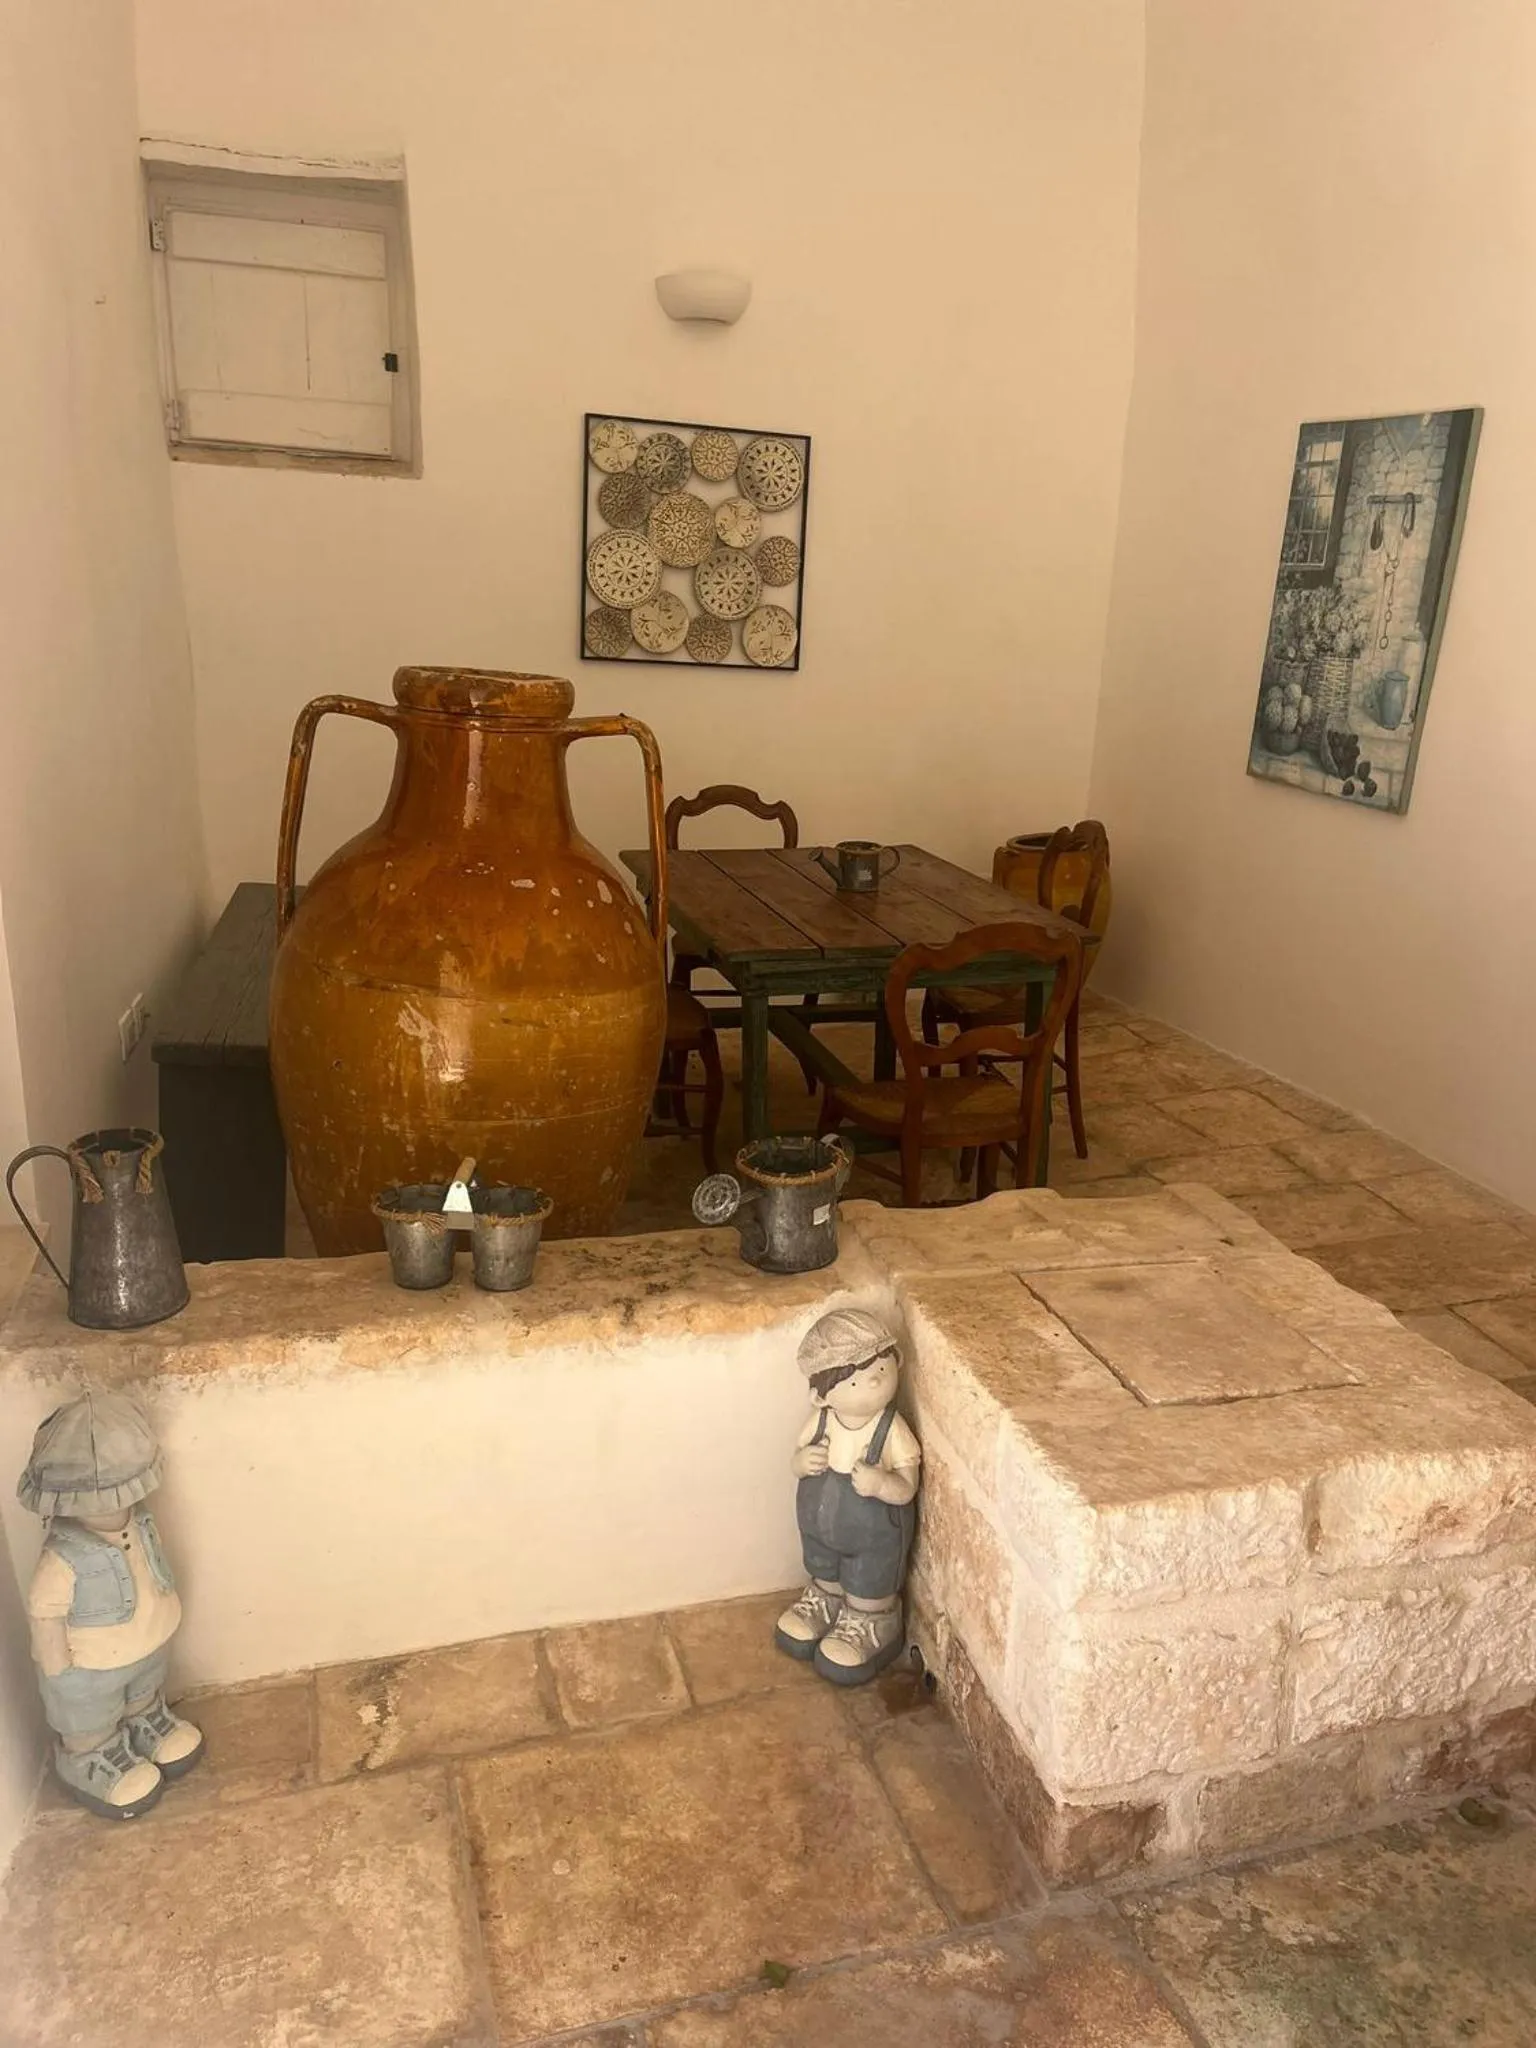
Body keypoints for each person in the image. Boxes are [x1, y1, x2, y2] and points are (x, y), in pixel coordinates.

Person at [18, 1389, 203, 1819]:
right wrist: (56, 1664)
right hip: (90, 1663)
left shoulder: (141, 1521)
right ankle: (90, 1756)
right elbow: (45, 1612)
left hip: (146, 1643)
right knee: (89, 1714)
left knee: (142, 1689)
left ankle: (146, 1721)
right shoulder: (63, 1556)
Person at [774, 1307, 921, 1685]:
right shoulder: (820, 1421)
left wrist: (882, 1485)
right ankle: (827, 1599)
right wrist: (802, 1462)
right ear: (821, 1397)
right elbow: (795, 1460)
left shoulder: (891, 1429)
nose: (875, 1383)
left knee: (869, 1578)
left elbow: (907, 1486)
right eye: (857, 1382)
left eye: (882, 1372)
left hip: (874, 1536)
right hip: (821, 1526)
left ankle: (872, 1621)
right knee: (825, 1566)